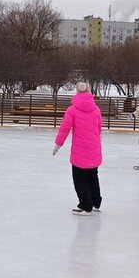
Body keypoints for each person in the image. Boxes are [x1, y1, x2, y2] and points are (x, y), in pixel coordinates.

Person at [54, 82, 103, 215]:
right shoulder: (96, 109)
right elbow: (99, 128)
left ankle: (86, 204)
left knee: (80, 178)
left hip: (80, 150)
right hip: (94, 148)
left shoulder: (72, 110)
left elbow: (65, 128)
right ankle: (96, 202)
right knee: (93, 176)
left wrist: (58, 143)